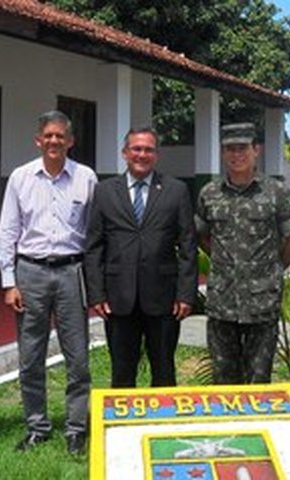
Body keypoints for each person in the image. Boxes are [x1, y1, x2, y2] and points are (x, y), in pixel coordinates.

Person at [0, 110, 97, 455]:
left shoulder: (86, 178)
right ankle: (37, 426)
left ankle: (76, 428)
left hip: (72, 273)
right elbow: (7, 231)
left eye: (61, 136)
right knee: (31, 355)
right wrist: (10, 282)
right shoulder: (21, 178)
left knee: (78, 357)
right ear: (38, 140)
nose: (54, 141)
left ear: (70, 141)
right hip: (31, 273)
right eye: (48, 136)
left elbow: (94, 234)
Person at [84, 127, 197, 388]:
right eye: (136, 148)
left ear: (156, 155)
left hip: (163, 298)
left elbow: (188, 245)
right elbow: (94, 246)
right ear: (125, 153)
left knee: (164, 371)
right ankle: (124, 428)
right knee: (122, 373)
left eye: (148, 149)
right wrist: (97, 294)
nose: (142, 154)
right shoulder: (104, 191)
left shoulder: (176, 190)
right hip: (118, 298)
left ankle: (164, 426)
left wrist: (185, 294)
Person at [195, 123, 290, 385]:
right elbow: (202, 235)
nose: (236, 154)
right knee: (223, 379)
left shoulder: (277, 193)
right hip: (222, 301)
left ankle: (253, 427)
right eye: (230, 149)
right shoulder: (209, 193)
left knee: (259, 379)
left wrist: (272, 269)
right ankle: (227, 428)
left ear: (256, 150)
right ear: (223, 153)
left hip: (262, 301)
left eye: (243, 148)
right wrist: (223, 262)